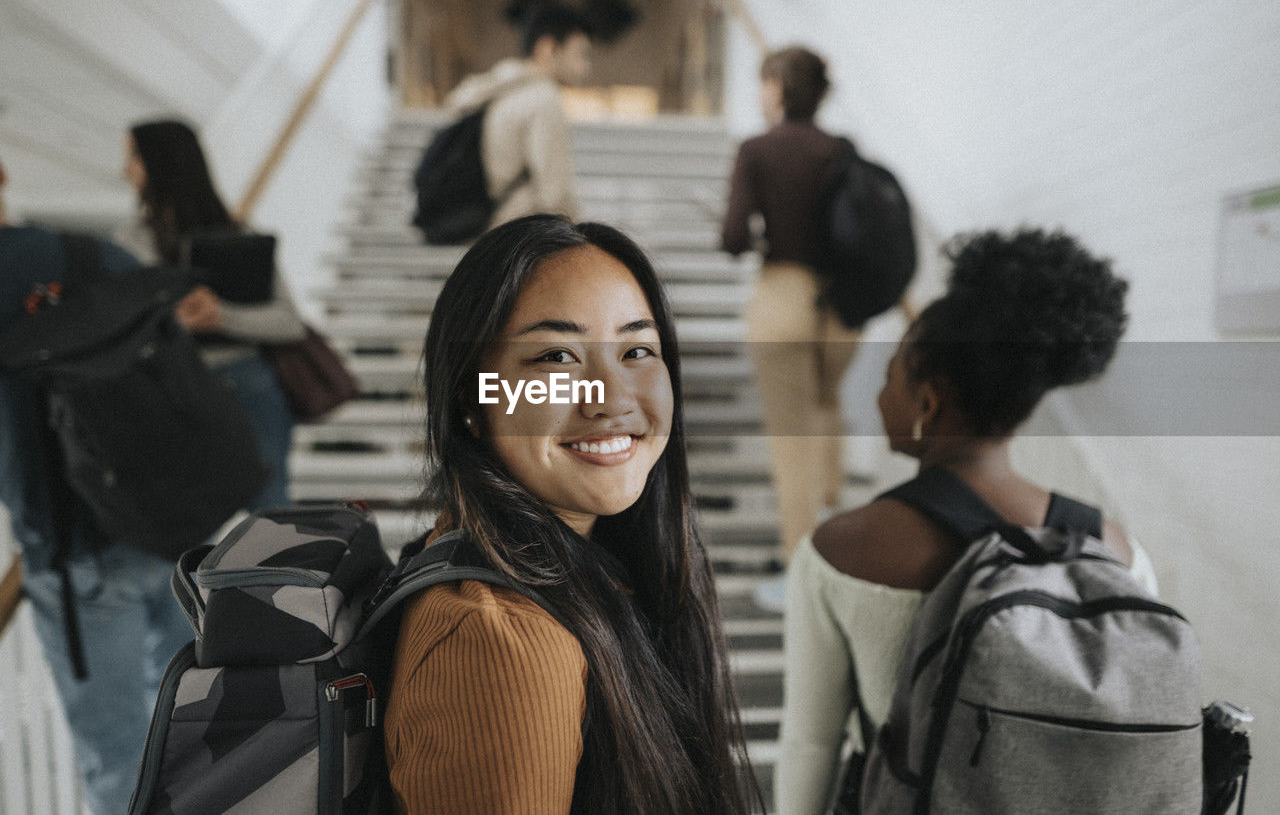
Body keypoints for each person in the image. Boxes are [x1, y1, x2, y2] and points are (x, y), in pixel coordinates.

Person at [384, 215, 761, 813]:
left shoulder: (593, 572)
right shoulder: (503, 640)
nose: (610, 398)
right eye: (556, 357)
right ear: (471, 397)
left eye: (637, 349)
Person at [775, 229, 1159, 814]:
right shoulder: (1117, 552)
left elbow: (811, 742)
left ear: (927, 402)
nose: (880, 389)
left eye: (891, 371)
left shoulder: (841, 549)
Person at [0, 158, 193, 815]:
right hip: (171, 535)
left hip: (71, 553)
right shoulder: (100, 256)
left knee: (118, 761)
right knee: (192, 737)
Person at [721, 46, 862, 611]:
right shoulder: (841, 151)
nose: (760, 94)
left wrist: (750, 238)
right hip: (839, 308)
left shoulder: (757, 150)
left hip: (783, 298)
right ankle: (835, 541)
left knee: (791, 439)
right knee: (827, 411)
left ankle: (804, 578)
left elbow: (733, 235)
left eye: (762, 83)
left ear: (778, 86)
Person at [121, 119, 304, 508]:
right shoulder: (128, 242)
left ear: (163, 162)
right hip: (172, 385)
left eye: (133, 156)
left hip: (245, 382)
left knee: (269, 519)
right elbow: (121, 331)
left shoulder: (241, 236)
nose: (124, 170)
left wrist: (221, 315)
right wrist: (175, 323)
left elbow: (288, 323)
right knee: (186, 520)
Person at [445, 2, 591, 227]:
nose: (585, 67)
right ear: (548, 48)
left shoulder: (498, 90)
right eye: (580, 54)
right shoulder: (543, 98)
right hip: (518, 235)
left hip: (487, 230)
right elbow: (555, 194)